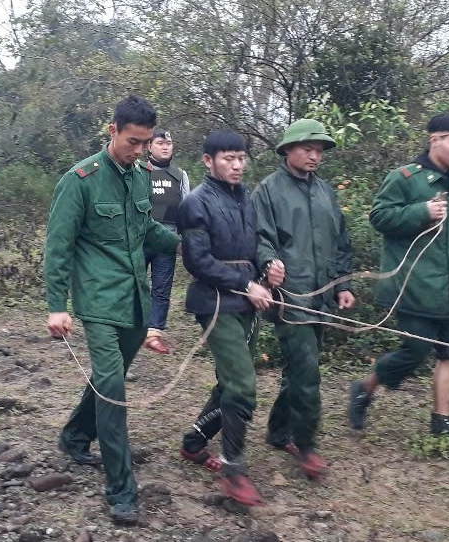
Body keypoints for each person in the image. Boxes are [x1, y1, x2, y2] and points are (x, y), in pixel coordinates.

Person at [44, 95, 180, 525]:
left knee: (109, 381)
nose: (140, 150)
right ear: (113, 131)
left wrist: (193, 246)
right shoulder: (80, 180)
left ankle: (75, 435)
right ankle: (122, 489)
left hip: (137, 302)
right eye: (133, 142)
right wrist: (55, 306)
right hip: (99, 304)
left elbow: (148, 230)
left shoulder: (141, 177)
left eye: (146, 143)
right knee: (114, 392)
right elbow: (58, 247)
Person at [348, 113, 449, 441]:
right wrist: (421, 212)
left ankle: (442, 420)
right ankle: (365, 387)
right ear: (434, 141)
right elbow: (379, 216)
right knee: (415, 351)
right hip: (414, 286)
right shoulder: (404, 178)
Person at [251, 118, 355, 479]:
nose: (314, 156)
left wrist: (342, 285)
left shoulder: (327, 192)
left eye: (319, 151)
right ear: (288, 150)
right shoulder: (267, 191)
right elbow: (258, 237)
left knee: (299, 368)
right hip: (290, 296)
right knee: (307, 371)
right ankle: (306, 446)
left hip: (323, 293)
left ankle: (278, 431)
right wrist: (269, 263)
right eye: (308, 149)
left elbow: (341, 241)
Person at [176, 129, 274, 506]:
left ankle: (194, 442)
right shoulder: (195, 203)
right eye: (228, 158)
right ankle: (234, 469)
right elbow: (197, 261)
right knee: (243, 387)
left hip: (248, 301)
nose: (236, 165)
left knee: (230, 381)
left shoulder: (246, 199)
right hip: (214, 303)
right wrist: (246, 283)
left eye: (241, 158)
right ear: (208, 161)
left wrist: (267, 271)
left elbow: (256, 246)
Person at [143, 128, 190, 354]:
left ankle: (154, 333)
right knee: (133, 282)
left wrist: (186, 241)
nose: (165, 147)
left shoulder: (180, 176)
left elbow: (188, 210)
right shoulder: (138, 171)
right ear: (149, 146)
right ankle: (128, 325)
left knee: (162, 287)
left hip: (169, 238)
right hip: (140, 237)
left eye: (169, 144)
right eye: (160, 143)